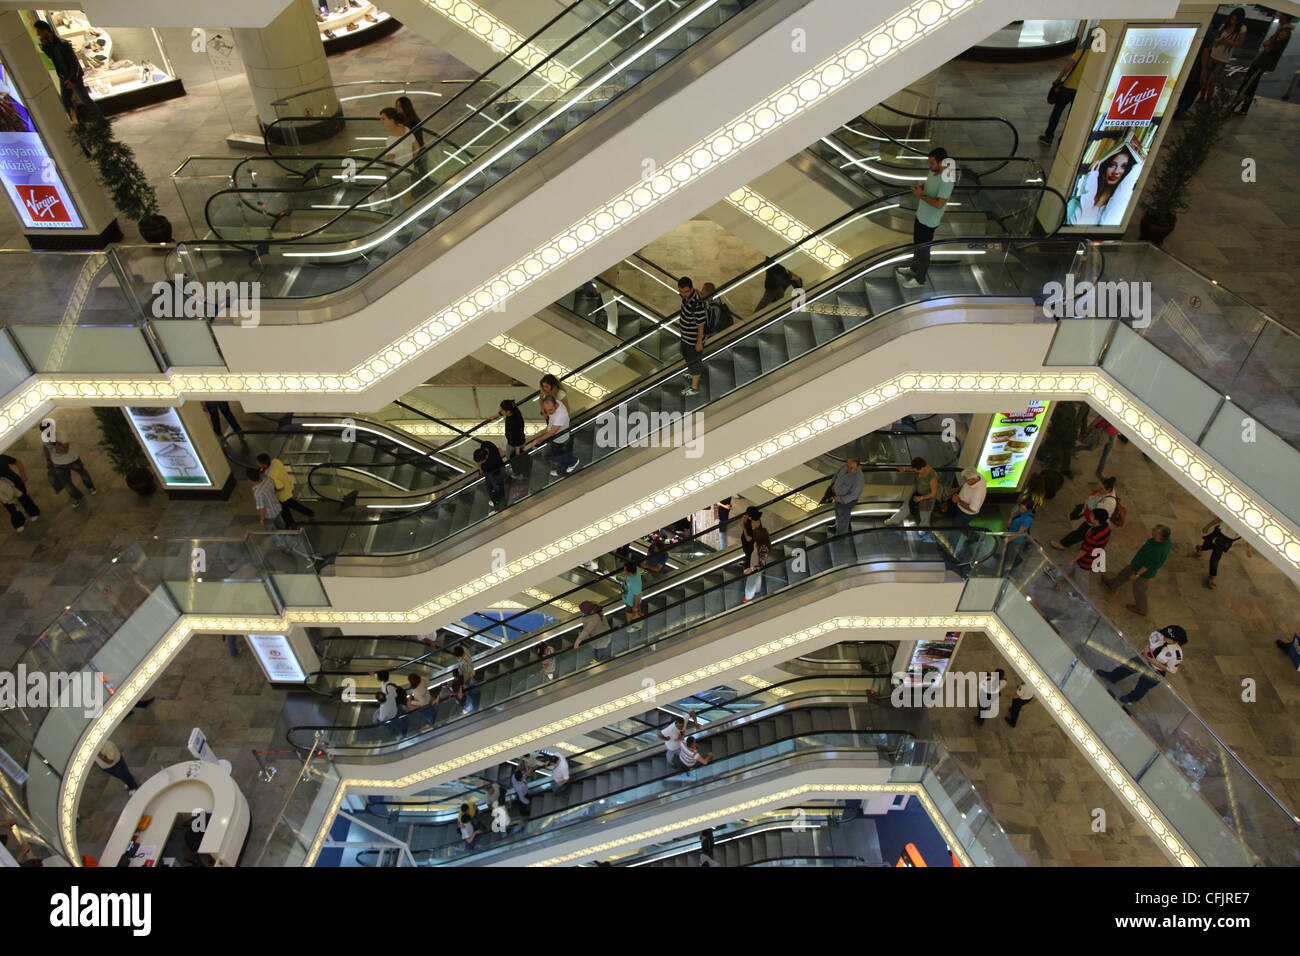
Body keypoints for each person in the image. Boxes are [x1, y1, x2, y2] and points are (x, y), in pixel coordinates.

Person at [896, 147, 954, 288]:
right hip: (921, 215)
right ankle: (914, 268)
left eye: (932, 163)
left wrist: (920, 195)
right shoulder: (934, 171)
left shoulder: (947, 180)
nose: (929, 166)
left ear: (941, 163)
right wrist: (920, 187)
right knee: (917, 244)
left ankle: (920, 279)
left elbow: (939, 204)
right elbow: (929, 185)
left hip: (929, 221)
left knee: (924, 251)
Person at [1095, 625, 1188, 705]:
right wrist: (1147, 649)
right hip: (1144, 658)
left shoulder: (1176, 654)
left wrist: (1153, 662)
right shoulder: (1160, 635)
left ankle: (1132, 698)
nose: (1164, 637)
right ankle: (1112, 677)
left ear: (1175, 641)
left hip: (1156, 670)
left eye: (1167, 637)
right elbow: (1151, 642)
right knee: (1126, 668)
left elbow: (1171, 670)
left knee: (1142, 685)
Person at [1067, 139, 1142, 227]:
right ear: (1105, 167)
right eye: (1112, 165)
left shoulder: (1123, 204)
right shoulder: (1076, 202)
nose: (1116, 171)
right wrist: (1091, 184)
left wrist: (1137, 169)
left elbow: (1106, 225)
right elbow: (1078, 226)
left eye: (1123, 167)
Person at [1103, 524, 1172, 617]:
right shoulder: (1166, 540)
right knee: (1124, 574)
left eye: (1154, 530)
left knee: (1139, 589)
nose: (1152, 529)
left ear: (1159, 536)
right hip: (1137, 564)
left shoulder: (1157, 551)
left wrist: (1137, 574)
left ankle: (1141, 609)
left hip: (1142, 571)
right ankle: (1112, 584)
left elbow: (1148, 565)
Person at [1231, 15, 1294, 115]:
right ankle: (1242, 107)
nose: (1279, 16)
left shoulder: (1284, 32)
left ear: (1285, 17)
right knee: (1251, 84)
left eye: (1281, 15)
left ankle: (1236, 106)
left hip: (1263, 62)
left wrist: (1268, 44)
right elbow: (1267, 43)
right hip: (1261, 61)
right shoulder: (1282, 30)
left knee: (1249, 83)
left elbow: (1269, 46)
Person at [33, 20, 93, 122]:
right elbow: (51, 57)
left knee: (85, 99)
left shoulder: (62, 44)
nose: (38, 34)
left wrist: (72, 79)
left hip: (73, 77)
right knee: (66, 101)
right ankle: (78, 124)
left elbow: (74, 63)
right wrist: (45, 46)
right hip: (63, 77)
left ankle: (100, 121)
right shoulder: (50, 45)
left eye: (39, 31)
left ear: (45, 30)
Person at [1039, 43, 1091, 146]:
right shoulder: (1097, 59)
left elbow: (1068, 67)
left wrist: (1058, 79)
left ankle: (1048, 137)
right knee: (1071, 117)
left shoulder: (1080, 53)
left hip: (1067, 88)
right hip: (1081, 91)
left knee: (1056, 113)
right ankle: (1063, 140)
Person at [1052, 476, 1117, 550]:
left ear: (1108, 490)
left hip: (1093, 521)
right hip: (1088, 511)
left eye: (1101, 488)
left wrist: (1090, 518)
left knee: (1080, 533)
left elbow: (1098, 516)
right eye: (1099, 486)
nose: (1098, 489)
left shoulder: (1108, 503)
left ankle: (1063, 544)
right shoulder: (1104, 492)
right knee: (1079, 528)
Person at [40, 421, 96, 507]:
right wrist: (48, 460)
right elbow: (46, 448)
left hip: (72, 460)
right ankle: (77, 497)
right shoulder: (42, 438)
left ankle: (90, 487)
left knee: (83, 474)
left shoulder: (62, 434)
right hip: (58, 464)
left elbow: (65, 450)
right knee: (66, 483)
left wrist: (54, 442)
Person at [1201, 7, 1248, 105]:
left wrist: (1227, 41)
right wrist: (1220, 40)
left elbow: (1240, 43)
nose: (1233, 22)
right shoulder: (1224, 25)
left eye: (1236, 20)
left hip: (1223, 58)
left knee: (1211, 81)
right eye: (1232, 19)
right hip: (1214, 54)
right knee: (1205, 79)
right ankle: (1202, 98)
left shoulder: (1242, 29)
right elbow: (1215, 39)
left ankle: (1208, 100)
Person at [257, 453, 314, 529]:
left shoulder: (271, 475)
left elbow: (280, 487)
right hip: (289, 486)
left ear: (263, 465)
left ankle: (291, 523)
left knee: (287, 509)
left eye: (258, 463)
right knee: (291, 506)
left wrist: (271, 488)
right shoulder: (276, 461)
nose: (257, 464)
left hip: (283, 496)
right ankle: (308, 513)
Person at [1064, 506, 1111, 595]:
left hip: (1086, 560)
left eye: (1092, 515)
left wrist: (1074, 559)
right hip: (1095, 555)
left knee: (1082, 578)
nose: (1090, 515)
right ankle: (1057, 573)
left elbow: (1085, 550)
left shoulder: (1093, 536)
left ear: (1097, 520)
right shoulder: (1106, 527)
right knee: (1070, 565)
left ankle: (1082, 596)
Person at [1194, 518, 1251, 590]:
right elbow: (1218, 519)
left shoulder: (1249, 522)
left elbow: (1248, 536)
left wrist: (1249, 549)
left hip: (1227, 541)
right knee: (1214, 558)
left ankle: (1201, 548)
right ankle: (1212, 577)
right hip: (1219, 535)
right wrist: (1207, 526)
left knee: (1212, 550)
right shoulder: (1233, 515)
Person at [529, 395, 579, 477]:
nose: (548, 413)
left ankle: (572, 461)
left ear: (555, 405)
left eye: (550, 410)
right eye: (546, 410)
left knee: (547, 455)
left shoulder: (560, 414)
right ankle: (560, 471)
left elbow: (552, 433)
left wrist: (537, 440)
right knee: (558, 455)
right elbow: (543, 397)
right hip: (558, 437)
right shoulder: (554, 402)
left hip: (559, 439)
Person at [886, 457, 939, 527]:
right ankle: (894, 520)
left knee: (925, 513)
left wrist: (921, 498)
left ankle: (924, 527)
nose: (914, 471)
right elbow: (912, 467)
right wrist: (904, 469)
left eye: (916, 470)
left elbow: (933, 493)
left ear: (921, 468)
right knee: (906, 506)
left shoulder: (932, 477)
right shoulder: (921, 467)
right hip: (917, 492)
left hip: (927, 497)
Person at [676, 276, 708, 396]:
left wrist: (699, 342)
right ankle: (692, 373)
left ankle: (694, 387)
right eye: (681, 291)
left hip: (693, 340)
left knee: (695, 361)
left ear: (691, 289)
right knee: (687, 357)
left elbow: (701, 324)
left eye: (686, 291)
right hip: (686, 337)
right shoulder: (689, 295)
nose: (684, 294)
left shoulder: (696, 303)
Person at [377, 107, 415, 194]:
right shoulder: (406, 129)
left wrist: (387, 173)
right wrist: (411, 161)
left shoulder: (391, 139)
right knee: (405, 193)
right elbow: (417, 147)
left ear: (391, 120)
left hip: (398, 173)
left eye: (383, 119)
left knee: (398, 194)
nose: (381, 121)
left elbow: (390, 159)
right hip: (409, 168)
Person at [829, 458, 865, 535]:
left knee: (843, 518)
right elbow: (837, 474)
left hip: (846, 502)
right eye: (848, 466)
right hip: (837, 497)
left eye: (851, 468)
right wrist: (833, 484)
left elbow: (854, 495)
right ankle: (836, 526)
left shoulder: (858, 479)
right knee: (838, 513)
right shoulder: (845, 466)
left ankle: (840, 534)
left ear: (857, 467)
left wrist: (840, 499)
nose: (848, 468)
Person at [474, 439, 507, 511]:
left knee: (498, 487)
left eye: (481, 461)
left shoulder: (488, 464)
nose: (480, 462)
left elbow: (481, 473)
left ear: (486, 457)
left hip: (496, 474)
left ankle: (501, 504)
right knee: (502, 484)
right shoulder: (487, 444)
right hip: (501, 467)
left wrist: (479, 466)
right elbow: (498, 449)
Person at [1004, 497, 1036, 570]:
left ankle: (1012, 565)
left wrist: (1009, 539)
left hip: (1016, 539)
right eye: (1020, 507)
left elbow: (1020, 532)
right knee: (1008, 549)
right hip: (1011, 532)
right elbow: (1013, 515)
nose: (1021, 510)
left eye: (1023, 509)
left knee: (1012, 551)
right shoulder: (1019, 510)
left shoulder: (1028, 519)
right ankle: (1004, 559)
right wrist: (1010, 520)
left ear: (1029, 509)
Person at [742, 525, 771, 602]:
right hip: (754, 564)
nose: (754, 536)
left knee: (750, 583)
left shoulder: (763, 548)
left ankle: (748, 597)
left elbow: (761, 564)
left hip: (756, 568)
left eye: (755, 535)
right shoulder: (758, 543)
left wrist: (751, 569)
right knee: (757, 579)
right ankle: (757, 590)